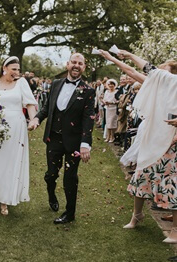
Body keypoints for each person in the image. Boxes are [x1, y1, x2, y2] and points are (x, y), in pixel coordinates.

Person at [99, 49, 177, 243]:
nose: (157, 74)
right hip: (152, 138)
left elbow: (147, 67)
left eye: (163, 71)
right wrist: (113, 58)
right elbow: (133, 72)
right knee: (141, 175)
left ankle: (175, 229)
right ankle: (137, 216)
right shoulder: (159, 85)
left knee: (171, 184)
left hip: (172, 142)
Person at [28, 53, 95, 224]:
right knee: (51, 175)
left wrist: (85, 143)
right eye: (74, 62)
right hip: (54, 139)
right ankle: (51, 194)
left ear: (84, 67)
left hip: (74, 142)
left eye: (80, 63)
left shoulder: (88, 91)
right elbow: (47, 107)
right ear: (67, 64)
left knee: (70, 177)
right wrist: (36, 118)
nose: (76, 65)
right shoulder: (56, 84)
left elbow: (89, 118)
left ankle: (69, 213)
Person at [0, 56, 37, 215]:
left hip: (15, 127)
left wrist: (32, 120)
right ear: (5, 68)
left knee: (8, 163)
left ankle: (4, 200)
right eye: (14, 69)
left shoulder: (22, 83)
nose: (17, 72)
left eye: (18, 70)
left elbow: (30, 103)